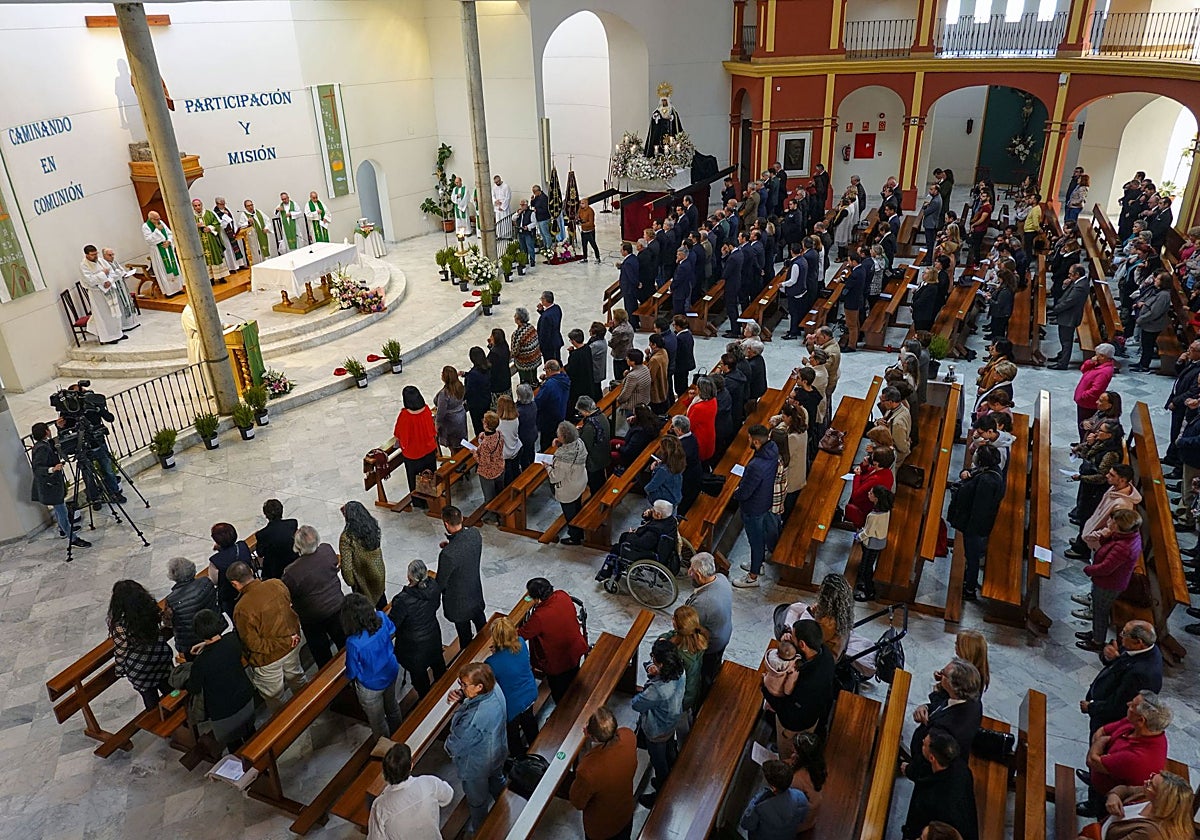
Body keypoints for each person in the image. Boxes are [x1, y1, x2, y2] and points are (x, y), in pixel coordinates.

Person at [1081, 691, 1172, 817]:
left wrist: (1100, 744)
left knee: (1101, 816)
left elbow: (1092, 761)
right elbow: (1101, 731)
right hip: (1105, 775)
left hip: (1111, 797)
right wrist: (1101, 753)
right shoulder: (1134, 723)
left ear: (1141, 720)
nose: (1128, 704)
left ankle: (1094, 809)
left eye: (1132, 706)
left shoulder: (1138, 757)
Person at [228, 561, 305, 708]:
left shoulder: (242, 608)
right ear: (251, 571)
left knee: (274, 696)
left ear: (235, 584)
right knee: (298, 678)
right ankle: (308, 706)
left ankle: (284, 725)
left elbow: (253, 644)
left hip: (269, 659)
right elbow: (290, 608)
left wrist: (284, 642)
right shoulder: (276, 584)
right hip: (292, 644)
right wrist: (289, 639)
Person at [446, 662, 509, 833]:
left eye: (464, 685)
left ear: (479, 686)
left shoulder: (474, 718)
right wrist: (463, 697)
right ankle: (505, 809)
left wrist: (448, 744)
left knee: (477, 801)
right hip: (497, 750)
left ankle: (481, 831)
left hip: (477, 765)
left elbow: (455, 745)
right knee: (497, 780)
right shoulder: (494, 687)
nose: (462, 687)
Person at [763, 619, 836, 759]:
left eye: (793, 636)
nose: (791, 636)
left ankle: (786, 761)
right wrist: (789, 643)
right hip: (816, 713)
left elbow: (789, 713)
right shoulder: (825, 653)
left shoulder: (807, 682)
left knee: (788, 754)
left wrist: (766, 690)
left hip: (794, 726)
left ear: (802, 645)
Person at [186, 609, 256, 753]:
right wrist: (206, 645)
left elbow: (193, 687)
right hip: (246, 699)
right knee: (252, 735)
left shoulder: (201, 662)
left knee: (234, 746)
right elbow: (221, 644)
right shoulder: (233, 640)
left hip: (225, 713)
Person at [1077, 509, 1143, 652]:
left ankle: (1098, 641)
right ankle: (1096, 633)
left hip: (1109, 584)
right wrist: (1105, 536)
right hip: (1108, 581)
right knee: (1098, 609)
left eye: (1112, 521)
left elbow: (1106, 568)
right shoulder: (1126, 536)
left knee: (1101, 611)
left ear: (1120, 527)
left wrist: (1089, 569)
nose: (1109, 522)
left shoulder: (1123, 547)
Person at [1081, 621, 1163, 735]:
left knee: (1097, 746)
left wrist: (1091, 707)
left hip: (1107, 720)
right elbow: (1118, 662)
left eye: (1124, 633)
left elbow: (1119, 706)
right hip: (1102, 705)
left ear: (1139, 642)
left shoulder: (1142, 673)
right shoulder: (1138, 647)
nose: (1120, 635)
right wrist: (1110, 657)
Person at [282, 524, 346, 669]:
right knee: (343, 640)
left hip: (312, 617)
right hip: (336, 605)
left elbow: (288, 592)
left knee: (320, 650)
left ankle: (327, 675)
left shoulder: (292, 572)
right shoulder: (327, 550)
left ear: (297, 546)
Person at [570, 706, 638, 840]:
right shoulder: (629, 736)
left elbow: (577, 802)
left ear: (593, 736)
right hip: (625, 813)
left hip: (602, 827)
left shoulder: (588, 770)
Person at [632, 638, 686, 806]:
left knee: (658, 760)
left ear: (660, 663)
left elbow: (637, 704)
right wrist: (656, 672)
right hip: (672, 720)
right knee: (670, 750)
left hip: (657, 729)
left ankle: (661, 791)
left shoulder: (658, 690)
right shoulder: (680, 670)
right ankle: (670, 773)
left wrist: (652, 679)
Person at [341, 593, 402, 738]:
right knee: (392, 706)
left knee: (378, 721)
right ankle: (401, 734)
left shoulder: (353, 642)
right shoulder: (381, 616)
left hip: (371, 685)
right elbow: (392, 629)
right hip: (391, 670)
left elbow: (352, 670)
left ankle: (386, 748)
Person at [951, 443, 1006, 601]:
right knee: (972, 554)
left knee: (972, 557)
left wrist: (968, 527)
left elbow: (979, 508)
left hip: (975, 526)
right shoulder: (991, 470)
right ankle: (969, 580)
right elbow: (972, 474)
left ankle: (969, 588)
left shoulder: (987, 482)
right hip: (976, 523)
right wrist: (966, 474)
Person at [519, 576, 587, 702]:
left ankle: (562, 712)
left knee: (559, 691)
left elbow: (523, 634)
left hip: (558, 662)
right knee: (572, 676)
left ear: (538, 600)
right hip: (575, 650)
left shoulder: (540, 617)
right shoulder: (562, 595)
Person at [107, 580, 174, 710]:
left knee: (151, 701)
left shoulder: (120, 625)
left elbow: (121, 650)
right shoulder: (151, 609)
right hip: (161, 656)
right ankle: (178, 710)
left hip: (141, 670)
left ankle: (157, 718)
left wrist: (121, 670)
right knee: (171, 691)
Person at [368, 741, 454, 840]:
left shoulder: (380, 806)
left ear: (384, 773)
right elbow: (448, 796)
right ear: (411, 766)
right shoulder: (429, 782)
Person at [901, 731, 979, 840]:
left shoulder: (935, 799)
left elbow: (919, 822)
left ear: (932, 758)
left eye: (924, 744)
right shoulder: (961, 767)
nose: (923, 741)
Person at [388, 560, 446, 698]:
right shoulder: (433, 586)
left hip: (413, 645)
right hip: (432, 635)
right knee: (438, 664)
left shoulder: (402, 600)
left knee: (419, 676)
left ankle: (425, 701)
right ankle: (443, 688)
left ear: (409, 577)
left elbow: (393, 624)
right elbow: (436, 605)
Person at [733, 424, 781, 588]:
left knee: (755, 541)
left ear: (756, 442)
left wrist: (736, 493)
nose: (748, 441)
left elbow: (746, 492)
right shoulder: (773, 449)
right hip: (765, 500)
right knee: (760, 538)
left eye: (749, 439)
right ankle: (758, 563)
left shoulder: (756, 466)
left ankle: (752, 576)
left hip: (753, 507)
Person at [28, 422, 89, 548]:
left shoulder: (43, 445)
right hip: (51, 486)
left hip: (52, 485)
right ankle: (72, 538)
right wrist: (52, 469)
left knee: (59, 509)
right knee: (62, 511)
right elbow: (38, 468)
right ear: (46, 432)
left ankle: (63, 529)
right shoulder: (41, 448)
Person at [1084, 771, 1194, 840]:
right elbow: (1127, 789)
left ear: (1162, 799)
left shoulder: (1150, 833)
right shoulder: (1148, 794)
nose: (1146, 781)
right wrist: (1114, 795)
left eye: (1152, 784)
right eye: (1152, 777)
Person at [485, 616, 539, 755]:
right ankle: (536, 745)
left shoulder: (491, 662)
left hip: (511, 705)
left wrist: (496, 654)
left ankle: (518, 756)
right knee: (529, 720)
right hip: (530, 693)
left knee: (512, 732)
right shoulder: (521, 642)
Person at [437, 505, 486, 646]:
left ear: (446, 524)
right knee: (481, 624)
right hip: (474, 591)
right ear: (462, 518)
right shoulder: (474, 534)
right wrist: (451, 545)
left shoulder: (447, 555)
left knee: (465, 637)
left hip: (458, 602)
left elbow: (440, 582)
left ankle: (466, 657)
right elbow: (465, 551)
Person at [686, 552, 732, 695]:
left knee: (705, 673)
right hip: (724, 632)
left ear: (699, 575)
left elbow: (689, 627)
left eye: (691, 570)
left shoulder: (703, 603)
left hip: (712, 644)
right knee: (714, 666)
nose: (688, 573)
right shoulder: (721, 579)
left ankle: (703, 697)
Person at [740, 758, 811, 840]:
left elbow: (746, 824)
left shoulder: (759, 806)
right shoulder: (801, 797)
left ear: (773, 787)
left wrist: (753, 804)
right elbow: (802, 819)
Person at [164, 556, 218, 659]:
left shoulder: (171, 600)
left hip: (190, 642)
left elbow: (168, 623)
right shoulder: (206, 582)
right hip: (213, 630)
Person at [393, 386, 438, 507]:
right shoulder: (426, 410)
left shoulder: (405, 416)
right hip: (429, 450)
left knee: (415, 479)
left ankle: (419, 502)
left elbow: (399, 434)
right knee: (430, 475)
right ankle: (432, 498)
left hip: (413, 454)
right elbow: (432, 430)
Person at [546, 421, 589, 545]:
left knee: (570, 513)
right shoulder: (579, 443)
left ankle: (575, 537)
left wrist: (548, 467)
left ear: (564, 437)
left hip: (568, 488)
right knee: (577, 506)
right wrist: (560, 445)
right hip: (580, 480)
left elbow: (555, 477)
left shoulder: (563, 459)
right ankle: (580, 530)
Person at [339, 500, 386, 609]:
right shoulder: (372, 526)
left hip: (362, 578)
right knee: (381, 603)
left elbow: (346, 566)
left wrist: (351, 582)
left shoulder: (347, 537)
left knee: (365, 609)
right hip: (378, 571)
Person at [79, 245, 128, 344]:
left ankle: (118, 333)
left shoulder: (101, 260)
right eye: (92, 255)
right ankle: (108, 338)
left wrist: (109, 281)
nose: (95, 256)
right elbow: (89, 280)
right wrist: (103, 274)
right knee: (104, 315)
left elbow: (112, 272)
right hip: (97, 294)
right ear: (87, 255)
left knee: (114, 313)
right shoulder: (84, 265)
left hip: (109, 289)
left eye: (96, 253)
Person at [854, 485, 894, 602]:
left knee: (866, 567)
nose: (869, 494)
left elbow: (868, 532)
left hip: (871, 543)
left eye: (871, 493)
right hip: (879, 541)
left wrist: (858, 537)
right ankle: (867, 586)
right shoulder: (885, 510)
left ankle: (869, 591)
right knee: (868, 565)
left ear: (876, 498)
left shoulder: (873, 516)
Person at [1131, 271, 1175, 372]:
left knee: (1148, 345)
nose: (1155, 280)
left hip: (1152, 324)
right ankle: (1142, 362)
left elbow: (1154, 312)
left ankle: (1144, 365)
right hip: (1149, 323)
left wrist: (1141, 319)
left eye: (1158, 279)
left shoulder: (1163, 295)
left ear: (1163, 282)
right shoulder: (1158, 291)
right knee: (1145, 344)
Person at [1050, 264, 1092, 369]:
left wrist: (1056, 309)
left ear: (1077, 274)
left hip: (1069, 316)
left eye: (1070, 274)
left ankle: (1062, 363)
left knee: (1066, 341)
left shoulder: (1080, 286)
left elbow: (1070, 301)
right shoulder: (1078, 282)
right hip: (1067, 315)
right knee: (1064, 339)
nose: (1069, 276)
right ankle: (1062, 356)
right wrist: (1065, 285)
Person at [209, 522, 252, 618]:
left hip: (230, 596)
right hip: (249, 587)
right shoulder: (242, 546)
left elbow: (215, 580)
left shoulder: (216, 561)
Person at [254, 499, 298, 580]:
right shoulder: (292, 523)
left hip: (274, 571)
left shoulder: (262, 534)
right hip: (294, 562)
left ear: (266, 515)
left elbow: (260, 553)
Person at [142, 211, 184, 296]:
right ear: (151, 219)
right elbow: (149, 240)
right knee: (164, 271)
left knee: (173, 267)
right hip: (158, 251)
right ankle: (170, 292)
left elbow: (169, 233)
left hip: (168, 250)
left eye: (159, 218)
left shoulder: (161, 223)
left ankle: (178, 288)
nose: (158, 220)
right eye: (156, 219)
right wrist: (157, 230)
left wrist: (168, 241)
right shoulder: (145, 226)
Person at [1075, 344, 1117, 429]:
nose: (1095, 357)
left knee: (1085, 426)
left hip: (1087, 403)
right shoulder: (1098, 363)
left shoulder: (1104, 372)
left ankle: (1084, 441)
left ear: (1103, 356)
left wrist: (1082, 396)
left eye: (1097, 355)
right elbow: (1083, 369)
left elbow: (1096, 390)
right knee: (1081, 424)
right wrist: (1090, 362)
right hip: (1083, 401)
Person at [577, 396, 611, 494]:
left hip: (594, 461)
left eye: (581, 411)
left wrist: (578, 434)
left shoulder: (590, 426)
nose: (581, 414)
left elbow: (584, 445)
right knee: (601, 478)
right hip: (603, 454)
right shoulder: (601, 416)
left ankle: (597, 500)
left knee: (595, 485)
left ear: (586, 410)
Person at [475, 411, 507, 513]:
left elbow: (484, 462)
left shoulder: (485, 444)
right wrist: (483, 435)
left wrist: (474, 453)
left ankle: (491, 516)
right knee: (499, 491)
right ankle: (500, 510)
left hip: (488, 473)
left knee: (489, 497)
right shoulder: (499, 434)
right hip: (500, 467)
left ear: (486, 424)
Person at [192, 198, 231, 283]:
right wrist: (196, 226)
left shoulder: (209, 213)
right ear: (193, 207)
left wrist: (210, 228)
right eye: (195, 206)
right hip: (200, 243)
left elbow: (217, 223)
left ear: (201, 205)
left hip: (212, 241)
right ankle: (210, 279)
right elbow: (188, 229)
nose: (198, 207)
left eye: (199, 205)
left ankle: (221, 277)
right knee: (204, 260)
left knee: (216, 256)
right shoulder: (191, 218)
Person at [645, 434, 685, 509]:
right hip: (675, 496)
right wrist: (659, 463)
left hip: (664, 502)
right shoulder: (678, 462)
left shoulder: (663, 470)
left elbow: (650, 487)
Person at [434, 366, 468, 454]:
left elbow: (441, 412)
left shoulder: (444, 393)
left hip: (450, 421)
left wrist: (437, 424)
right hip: (460, 415)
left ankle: (456, 463)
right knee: (461, 443)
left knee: (453, 447)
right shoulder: (460, 386)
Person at [464, 346, 492, 436]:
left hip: (476, 405)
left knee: (479, 428)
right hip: (486, 399)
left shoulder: (473, 375)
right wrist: (466, 374)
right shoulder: (487, 367)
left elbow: (468, 391)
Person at [512, 307, 543, 386]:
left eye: (515, 315)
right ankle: (535, 384)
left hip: (525, 363)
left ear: (519, 320)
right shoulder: (531, 327)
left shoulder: (517, 334)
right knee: (533, 377)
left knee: (526, 382)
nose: (514, 317)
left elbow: (514, 352)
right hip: (535, 359)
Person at [616, 348, 651, 417]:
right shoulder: (644, 368)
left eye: (628, 358)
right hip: (645, 401)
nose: (626, 359)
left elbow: (625, 395)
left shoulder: (632, 376)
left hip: (633, 406)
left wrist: (619, 400)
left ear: (633, 362)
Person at [238, 199, 272, 264]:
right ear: (245, 207)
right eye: (248, 206)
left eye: (251, 205)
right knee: (254, 251)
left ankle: (267, 263)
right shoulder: (244, 215)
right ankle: (257, 265)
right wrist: (248, 222)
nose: (250, 207)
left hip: (261, 234)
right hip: (252, 236)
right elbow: (241, 225)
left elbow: (267, 220)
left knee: (264, 249)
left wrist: (266, 228)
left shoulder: (258, 212)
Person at [515, 384, 539, 471]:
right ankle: (532, 464)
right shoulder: (533, 405)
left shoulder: (519, 411)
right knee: (531, 451)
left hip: (523, 437)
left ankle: (527, 471)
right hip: (532, 433)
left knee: (524, 457)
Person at [487, 328, 513, 403]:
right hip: (506, 378)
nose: (490, 337)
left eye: (491, 336)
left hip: (498, 383)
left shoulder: (494, 354)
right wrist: (491, 345)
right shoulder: (505, 346)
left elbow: (489, 366)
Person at [608, 309, 635, 380]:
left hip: (619, 355)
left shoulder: (618, 331)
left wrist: (608, 342)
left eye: (614, 318)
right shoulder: (628, 325)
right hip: (627, 354)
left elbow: (612, 344)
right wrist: (612, 327)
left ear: (618, 319)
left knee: (619, 377)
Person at [646, 333, 670, 413]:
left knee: (656, 411)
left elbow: (651, 377)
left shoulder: (655, 360)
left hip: (656, 389)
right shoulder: (663, 351)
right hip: (664, 384)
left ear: (654, 345)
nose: (649, 344)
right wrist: (648, 355)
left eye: (650, 343)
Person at [920, 185, 943, 263]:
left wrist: (925, 206)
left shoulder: (935, 201)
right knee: (929, 243)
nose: (929, 191)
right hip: (931, 223)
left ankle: (928, 260)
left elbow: (926, 212)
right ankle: (927, 258)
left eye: (931, 189)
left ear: (936, 191)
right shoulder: (936, 198)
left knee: (929, 244)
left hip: (931, 224)